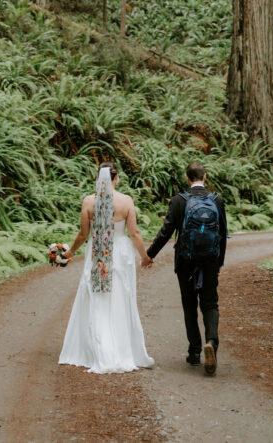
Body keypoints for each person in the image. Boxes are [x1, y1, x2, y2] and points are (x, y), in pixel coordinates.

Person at [59, 163, 155, 373]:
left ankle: (98, 346)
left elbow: (83, 234)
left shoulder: (89, 201)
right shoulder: (126, 201)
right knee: (120, 296)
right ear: (116, 177)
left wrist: (70, 252)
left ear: (98, 178)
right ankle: (120, 347)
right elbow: (134, 233)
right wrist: (145, 256)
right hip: (119, 252)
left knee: (96, 297)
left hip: (97, 252)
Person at [146, 161, 227, 376]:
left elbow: (165, 232)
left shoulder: (178, 201)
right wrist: (220, 262)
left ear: (186, 178)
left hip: (185, 261)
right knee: (210, 303)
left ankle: (194, 351)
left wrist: (149, 255)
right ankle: (212, 343)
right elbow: (223, 234)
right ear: (205, 177)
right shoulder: (217, 200)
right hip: (210, 259)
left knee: (189, 304)